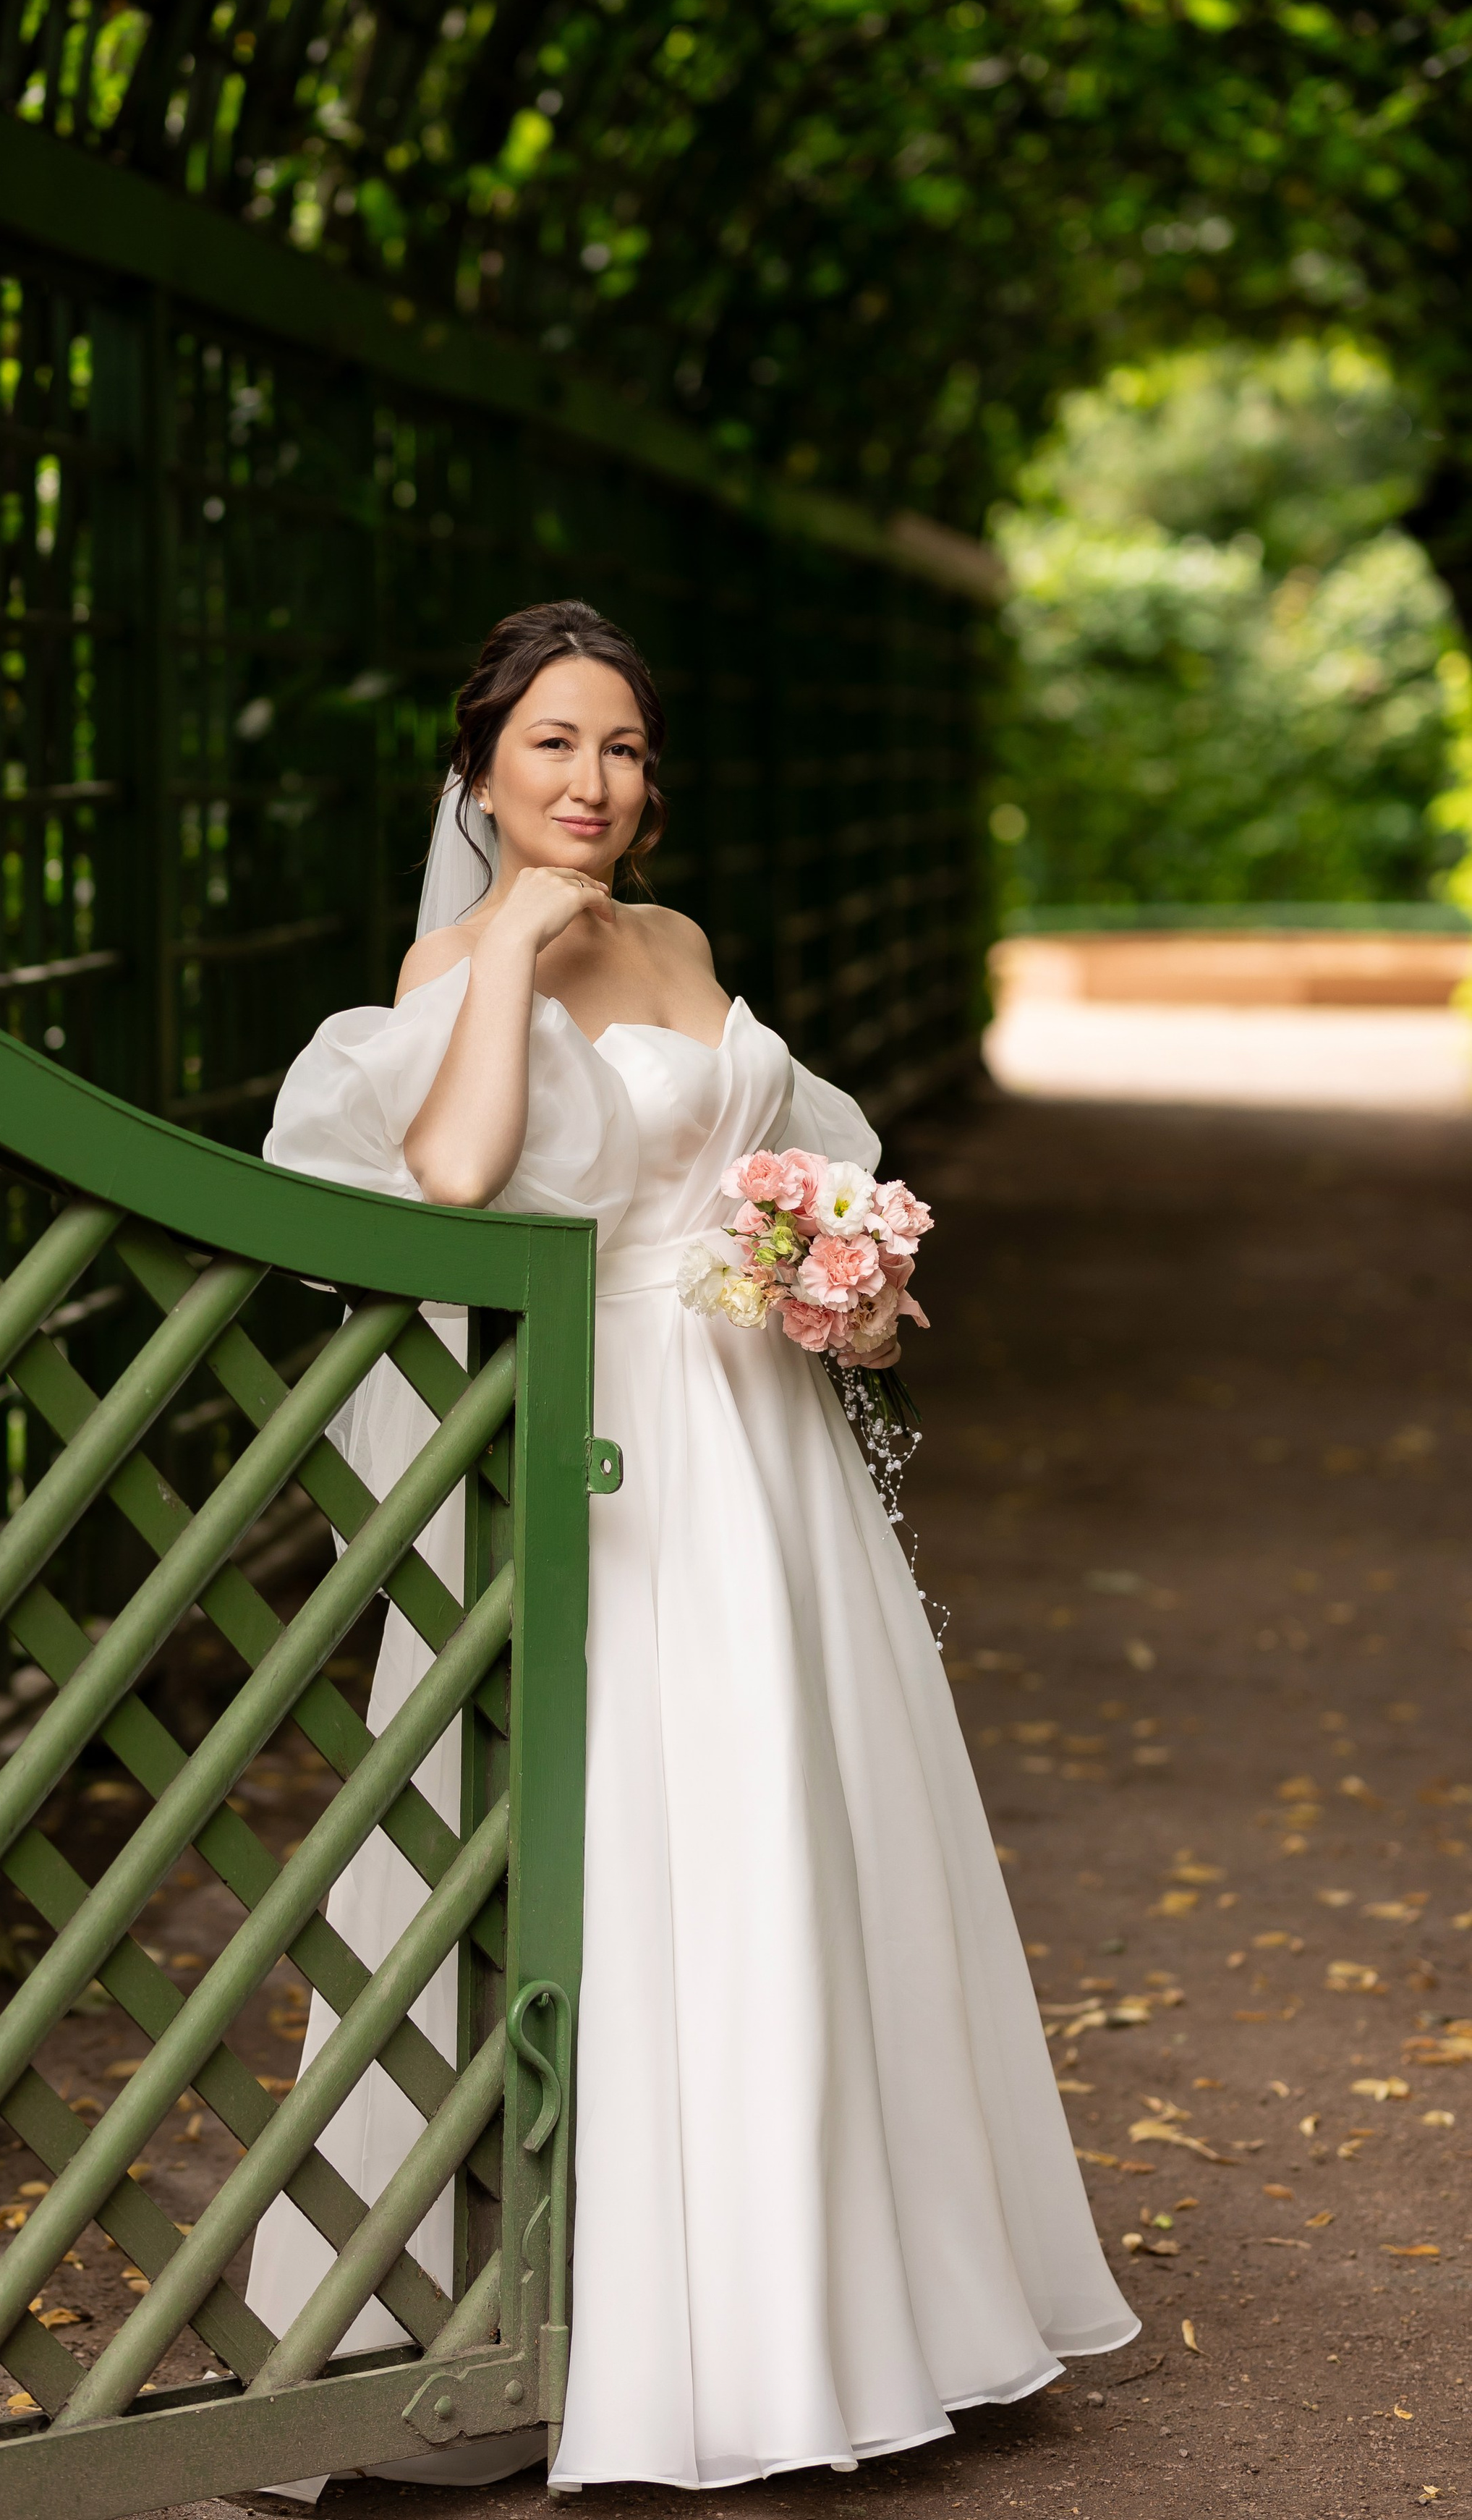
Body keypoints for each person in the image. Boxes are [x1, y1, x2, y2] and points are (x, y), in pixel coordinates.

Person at [246, 599, 1139, 2492]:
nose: (595, 781)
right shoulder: (454, 957)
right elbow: (462, 1177)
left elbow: (775, 1159)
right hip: (607, 1440)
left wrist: (836, 1274)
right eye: (555, 744)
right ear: (479, 767)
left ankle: (833, 2315)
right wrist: (501, 950)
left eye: (626, 749)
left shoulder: (683, 944)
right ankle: (627, 2339)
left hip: (763, 1437)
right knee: (638, 1843)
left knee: (798, 1837)